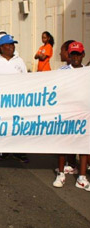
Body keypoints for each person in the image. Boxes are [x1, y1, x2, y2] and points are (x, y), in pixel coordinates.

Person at [0, 34, 29, 163]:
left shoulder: (19, 61)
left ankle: (19, 151)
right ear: (1, 47)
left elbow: (26, 79)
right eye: (8, 45)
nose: (11, 47)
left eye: (12, 44)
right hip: (0, 100)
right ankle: (2, 149)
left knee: (17, 124)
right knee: (2, 124)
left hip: (17, 100)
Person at [53, 41, 90, 191]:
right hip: (67, 112)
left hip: (83, 113)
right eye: (73, 54)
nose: (75, 57)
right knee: (64, 143)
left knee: (83, 145)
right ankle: (61, 173)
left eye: (78, 54)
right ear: (69, 55)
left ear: (83, 55)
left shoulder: (87, 72)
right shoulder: (62, 71)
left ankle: (81, 178)